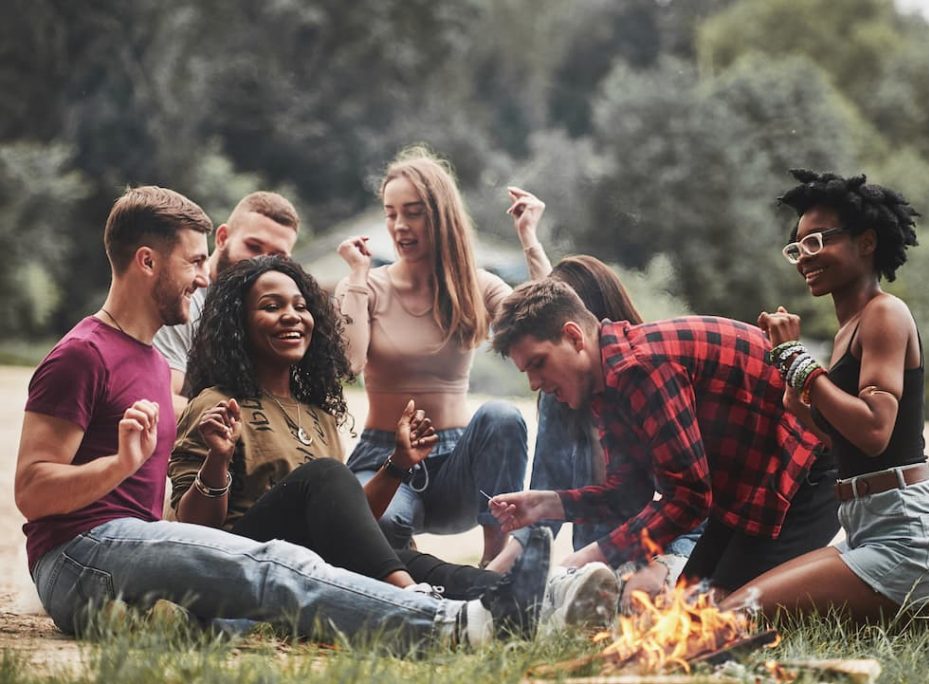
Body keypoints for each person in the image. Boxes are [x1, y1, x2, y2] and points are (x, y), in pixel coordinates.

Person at [15, 185, 549, 649]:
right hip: (78, 554)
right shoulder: (83, 352)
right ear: (148, 261)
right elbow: (32, 492)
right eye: (194, 262)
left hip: (133, 546)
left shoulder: (156, 362)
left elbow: (342, 522)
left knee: (373, 555)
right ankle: (448, 625)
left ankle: (535, 604)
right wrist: (120, 463)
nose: (204, 278)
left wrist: (396, 465)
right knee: (271, 564)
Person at [170, 255, 528, 600]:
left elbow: (351, 524)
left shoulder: (317, 415)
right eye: (271, 306)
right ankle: (409, 598)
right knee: (326, 474)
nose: (291, 316)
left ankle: (527, 597)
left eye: (300, 306)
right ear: (238, 324)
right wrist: (217, 460)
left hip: (314, 561)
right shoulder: (216, 404)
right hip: (245, 565)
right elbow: (194, 530)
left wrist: (400, 463)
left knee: (428, 567)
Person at [488, 278, 840, 595]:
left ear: (574, 337)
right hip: (746, 497)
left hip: (805, 478)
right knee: (684, 611)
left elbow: (689, 497)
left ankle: (850, 573)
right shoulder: (606, 384)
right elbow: (629, 490)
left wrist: (592, 556)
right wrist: (549, 504)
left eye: (538, 363)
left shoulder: (640, 367)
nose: (535, 384)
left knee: (721, 614)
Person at [718, 169, 929, 623]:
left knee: (738, 612)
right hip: (865, 526)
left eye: (817, 242)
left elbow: (873, 429)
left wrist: (797, 362)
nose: (803, 257)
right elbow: (836, 436)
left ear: (866, 242)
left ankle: (920, 591)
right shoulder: (848, 329)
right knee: (738, 600)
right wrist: (793, 386)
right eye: (797, 247)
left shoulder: (885, 313)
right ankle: (924, 613)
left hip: (903, 531)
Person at [335, 146, 551, 566]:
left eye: (413, 212)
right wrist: (357, 279)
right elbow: (348, 363)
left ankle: (496, 571)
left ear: (440, 215)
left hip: (457, 464)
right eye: (391, 212)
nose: (399, 225)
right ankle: (408, 586)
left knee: (502, 417)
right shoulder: (364, 286)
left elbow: (544, 323)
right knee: (381, 525)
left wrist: (529, 239)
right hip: (384, 459)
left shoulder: (477, 285)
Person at [154, 191, 300, 416]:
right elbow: (161, 402)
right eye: (253, 247)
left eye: (277, 256)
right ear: (222, 238)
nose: (262, 263)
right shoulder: (184, 301)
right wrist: (250, 422)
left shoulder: (283, 315)